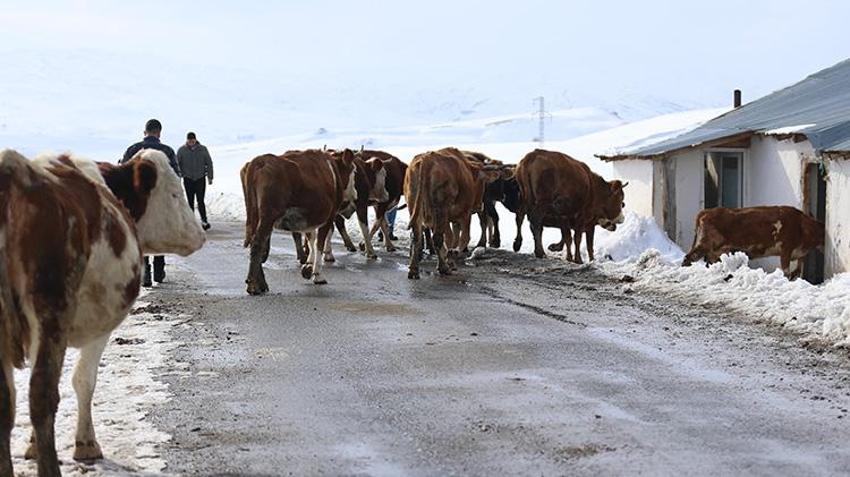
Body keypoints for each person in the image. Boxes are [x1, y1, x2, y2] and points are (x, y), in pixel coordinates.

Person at [122, 118, 180, 287]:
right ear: (159, 132)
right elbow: (176, 176)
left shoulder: (133, 150)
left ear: (144, 132)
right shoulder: (167, 151)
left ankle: (145, 272)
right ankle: (159, 270)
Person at [177, 132, 213, 230]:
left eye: (193, 141)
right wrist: (178, 177)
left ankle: (204, 221)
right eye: (189, 141)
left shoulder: (203, 149)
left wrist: (210, 176)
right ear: (187, 140)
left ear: (195, 140)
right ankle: (190, 222)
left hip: (200, 178)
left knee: (200, 200)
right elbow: (177, 164)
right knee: (190, 201)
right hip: (188, 179)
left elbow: (209, 163)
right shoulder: (181, 150)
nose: (191, 142)